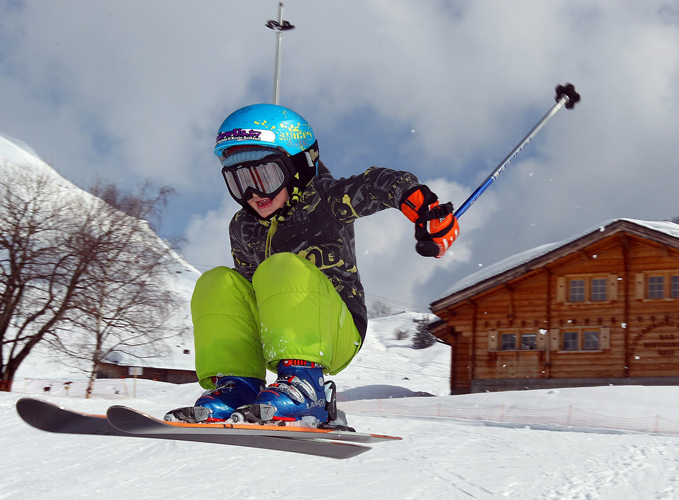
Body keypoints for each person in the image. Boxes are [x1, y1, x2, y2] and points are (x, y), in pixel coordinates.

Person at [166, 104, 459, 425]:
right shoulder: (242, 226)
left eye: (264, 176)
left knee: (281, 267)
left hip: (334, 329)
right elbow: (246, 294)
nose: (252, 193)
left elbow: (377, 183)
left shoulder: (325, 199)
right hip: (276, 332)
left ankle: (306, 388)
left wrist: (420, 205)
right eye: (239, 182)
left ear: (298, 166)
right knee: (217, 282)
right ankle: (238, 387)